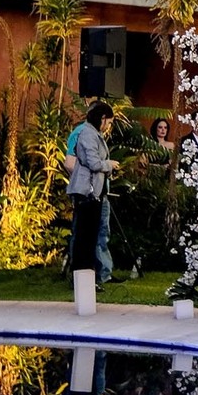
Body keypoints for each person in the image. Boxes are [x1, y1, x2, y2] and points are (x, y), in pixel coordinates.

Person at [66, 102, 118, 280]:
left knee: (91, 235)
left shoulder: (94, 133)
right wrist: (109, 165)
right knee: (85, 237)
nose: (108, 127)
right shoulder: (87, 134)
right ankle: (82, 276)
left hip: (95, 191)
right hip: (87, 191)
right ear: (102, 118)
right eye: (109, 122)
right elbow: (94, 163)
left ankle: (92, 275)